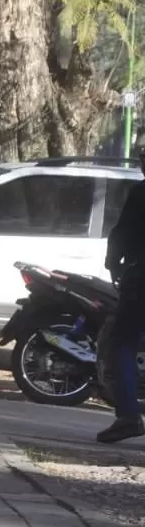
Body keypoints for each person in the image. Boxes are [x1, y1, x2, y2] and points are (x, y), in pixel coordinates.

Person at [99, 151, 145, 443]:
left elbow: (120, 236)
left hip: (141, 280)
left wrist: (114, 264)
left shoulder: (141, 193)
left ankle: (129, 415)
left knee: (122, 343)